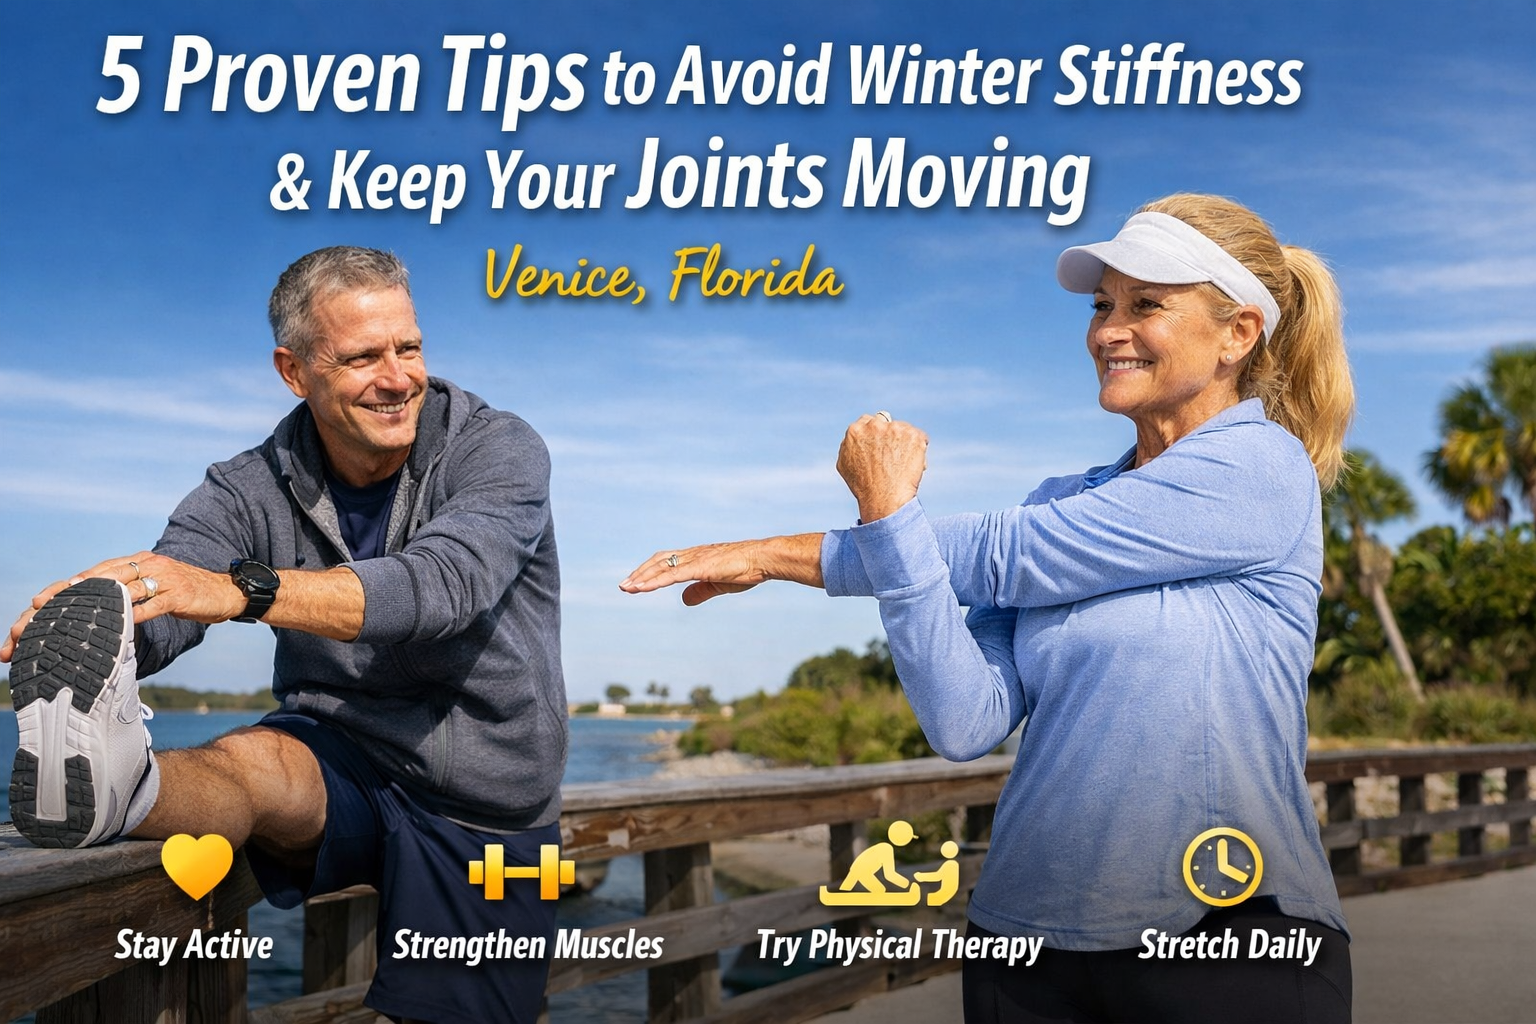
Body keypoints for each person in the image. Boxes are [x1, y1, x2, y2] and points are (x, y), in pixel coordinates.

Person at [621, 195, 1354, 1023]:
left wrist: (782, 551)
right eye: (1101, 305)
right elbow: (966, 720)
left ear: (1239, 334)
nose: (1108, 330)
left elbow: (1006, 553)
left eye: (1146, 304)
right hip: (1027, 947)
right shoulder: (1063, 500)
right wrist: (887, 528)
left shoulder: (1260, 468)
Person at [4, 246, 567, 1024]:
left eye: (408, 347)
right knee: (248, 761)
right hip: (340, 746)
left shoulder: (496, 448)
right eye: (363, 356)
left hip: (484, 798)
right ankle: (123, 792)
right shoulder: (245, 484)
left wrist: (238, 590)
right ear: (294, 370)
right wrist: (113, 620)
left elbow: (443, 586)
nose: (398, 377)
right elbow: (181, 581)